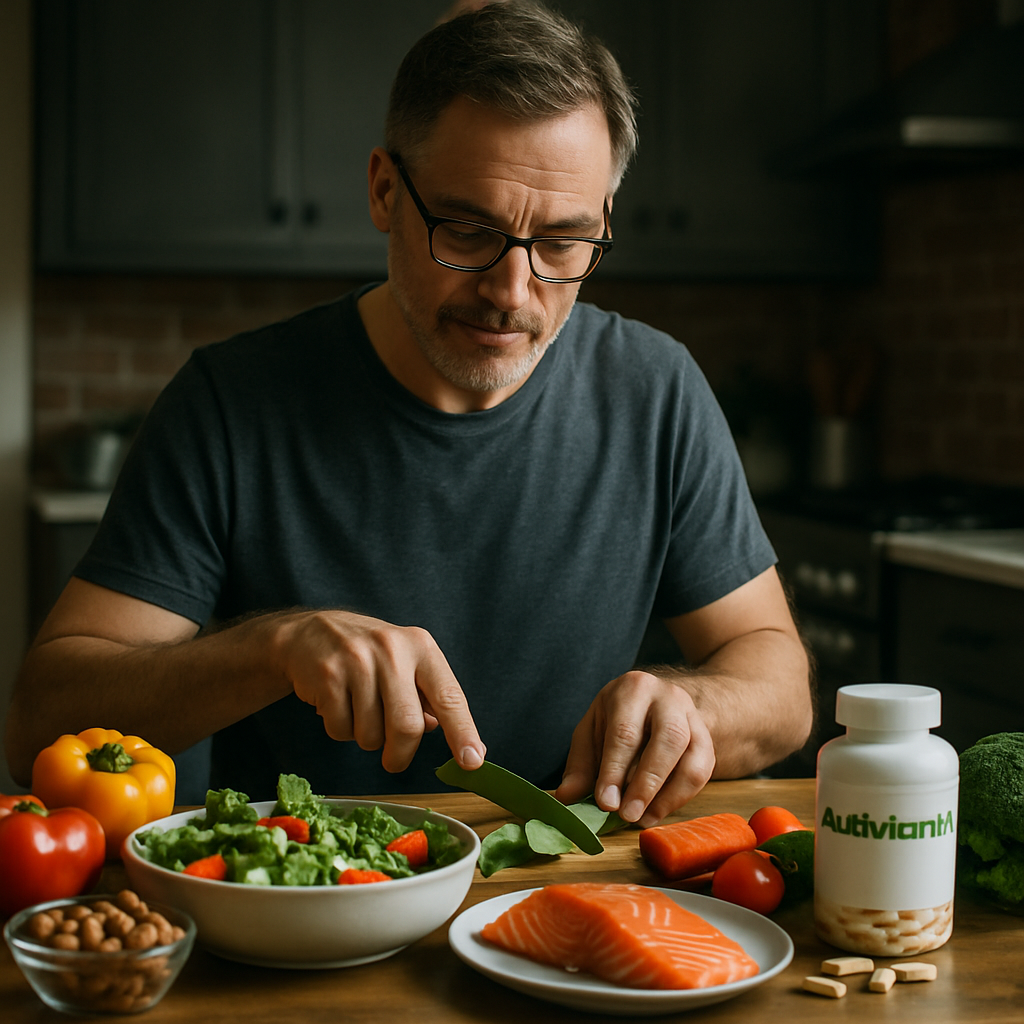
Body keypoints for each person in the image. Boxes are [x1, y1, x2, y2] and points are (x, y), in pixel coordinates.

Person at [6, 2, 811, 827]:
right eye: (467, 231)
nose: (511, 292)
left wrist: (697, 706)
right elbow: (42, 720)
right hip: (305, 900)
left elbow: (781, 686)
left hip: (572, 886)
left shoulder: (658, 389)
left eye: (563, 244)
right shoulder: (232, 401)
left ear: (603, 225)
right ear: (386, 191)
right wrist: (272, 649)